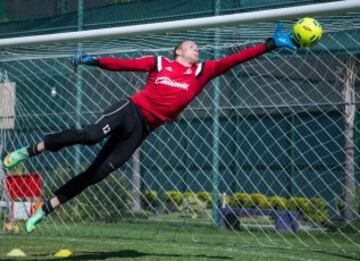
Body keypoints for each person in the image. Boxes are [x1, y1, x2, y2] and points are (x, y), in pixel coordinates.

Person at [2, 25, 297, 233]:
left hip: (142, 130)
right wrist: (95, 61)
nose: (197, 48)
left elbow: (234, 60)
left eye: (197, 47)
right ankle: (29, 150)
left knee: (97, 174)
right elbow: (123, 64)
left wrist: (269, 44)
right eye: (192, 45)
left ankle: (45, 209)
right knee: (90, 136)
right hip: (129, 111)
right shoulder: (160, 63)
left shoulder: (201, 72)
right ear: (179, 50)